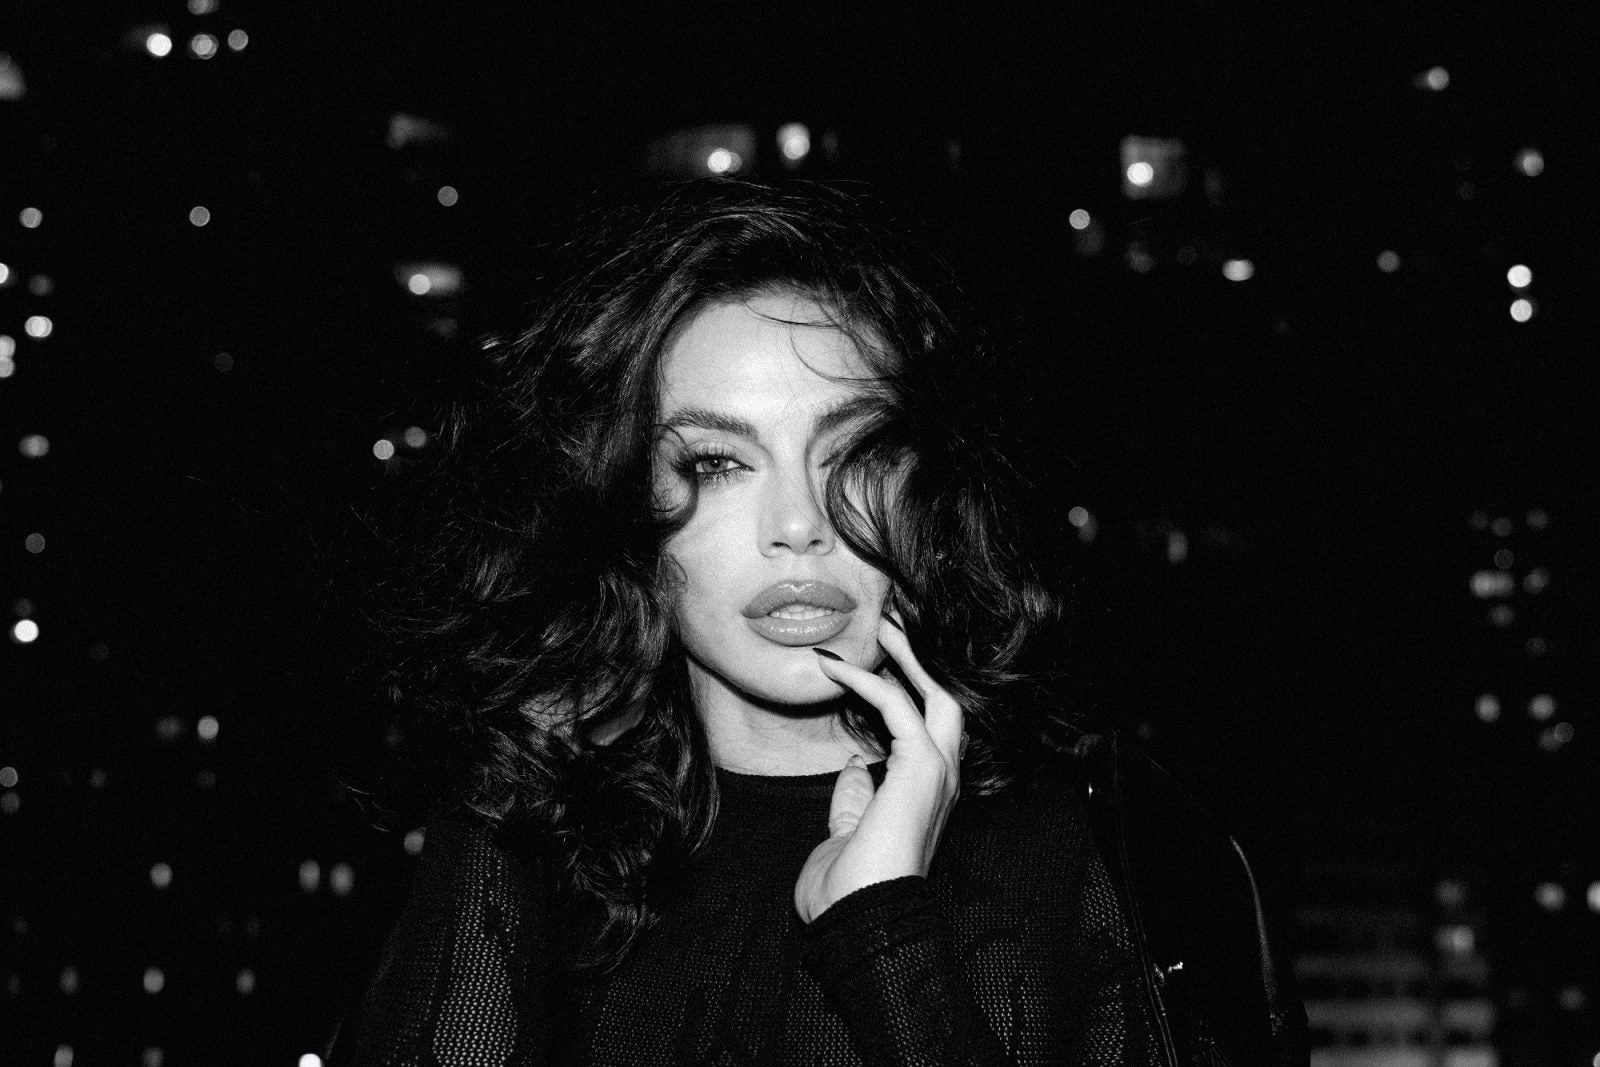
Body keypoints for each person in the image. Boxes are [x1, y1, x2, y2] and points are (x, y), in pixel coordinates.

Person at [330, 179, 1299, 1065]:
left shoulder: (1098, 847)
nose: (798, 524)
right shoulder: (529, 847)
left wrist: (883, 933)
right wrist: (507, 784)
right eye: (716, 463)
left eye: (855, 452)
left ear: (927, 490)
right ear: (621, 508)